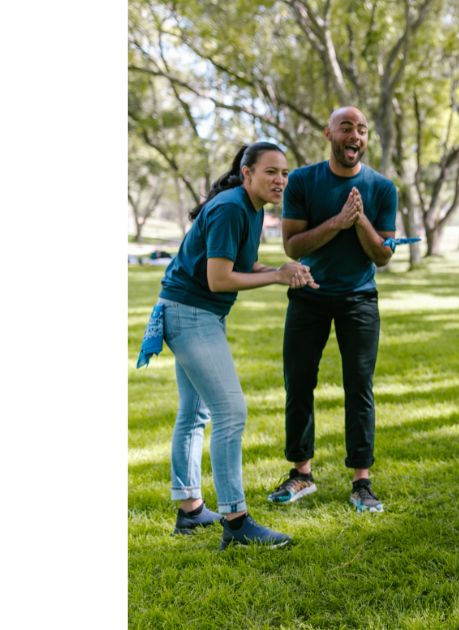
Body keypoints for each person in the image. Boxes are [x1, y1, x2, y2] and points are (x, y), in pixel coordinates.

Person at [147, 141, 316, 549]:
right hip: (190, 313)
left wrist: (281, 269)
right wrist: (275, 278)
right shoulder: (230, 208)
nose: (280, 180)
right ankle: (236, 521)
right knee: (230, 412)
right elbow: (218, 279)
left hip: (190, 311)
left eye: (284, 173)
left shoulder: (249, 209)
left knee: (195, 413)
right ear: (247, 174)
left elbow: (241, 265)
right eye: (271, 172)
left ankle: (190, 510)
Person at [267, 106, 399, 513]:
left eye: (361, 129)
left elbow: (383, 257)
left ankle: (361, 482)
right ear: (329, 134)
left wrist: (360, 224)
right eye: (347, 127)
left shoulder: (382, 188)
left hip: (359, 300)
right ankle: (301, 474)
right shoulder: (304, 181)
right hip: (308, 294)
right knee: (299, 382)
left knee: (359, 387)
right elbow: (293, 246)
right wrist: (339, 221)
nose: (355, 135)